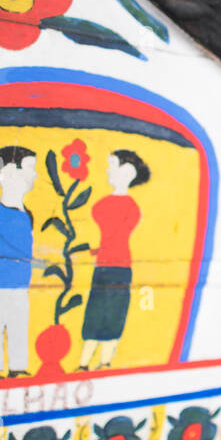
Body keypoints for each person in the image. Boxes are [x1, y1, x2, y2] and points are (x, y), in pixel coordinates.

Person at [79, 150, 149, 370]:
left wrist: (98, 249)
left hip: (118, 267)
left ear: (127, 172)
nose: (108, 170)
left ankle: (105, 362)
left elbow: (117, 236)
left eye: (112, 165)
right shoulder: (101, 204)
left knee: (113, 314)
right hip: (103, 265)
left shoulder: (130, 208)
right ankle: (84, 363)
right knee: (95, 312)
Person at [0, 146, 37, 379]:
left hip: (20, 281)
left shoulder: (25, 213)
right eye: (30, 168)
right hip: (0, 282)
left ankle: (17, 366)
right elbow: (16, 249)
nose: (35, 175)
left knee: (19, 324)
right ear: (12, 171)